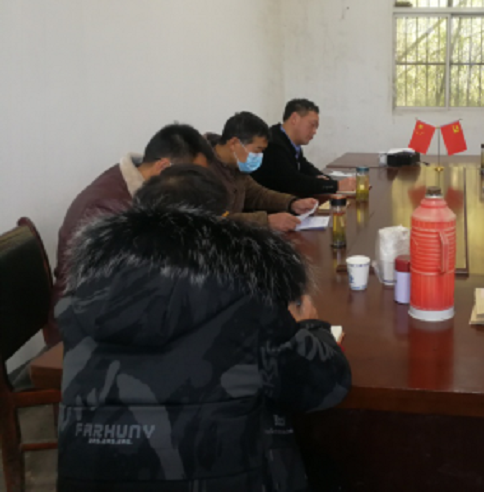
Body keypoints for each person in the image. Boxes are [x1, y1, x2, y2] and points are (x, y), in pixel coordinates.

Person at [56, 164, 351, 492]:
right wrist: (310, 326)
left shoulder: (82, 303)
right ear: (221, 224)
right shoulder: (248, 298)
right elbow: (324, 386)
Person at [46, 123, 214, 345]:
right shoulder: (109, 206)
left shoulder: (141, 186)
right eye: (193, 177)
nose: (196, 186)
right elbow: (111, 298)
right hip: (81, 333)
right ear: (164, 167)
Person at [206, 111, 318, 232]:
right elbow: (214, 219)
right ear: (234, 143)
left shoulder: (236, 165)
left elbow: (257, 194)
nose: (259, 156)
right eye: (257, 150)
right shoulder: (202, 170)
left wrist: (292, 203)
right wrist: (266, 221)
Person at [251, 99, 356, 196]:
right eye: (312, 125)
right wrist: (336, 186)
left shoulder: (289, 142)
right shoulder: (273, 144)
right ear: (294, 119)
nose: (314, 131)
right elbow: (294, 182)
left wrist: (326, 179)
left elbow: (305, 167)